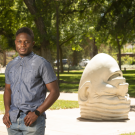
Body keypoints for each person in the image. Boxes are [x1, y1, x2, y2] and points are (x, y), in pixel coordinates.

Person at [3, 27, 60, 135]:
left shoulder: (42, 64)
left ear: (32, 43)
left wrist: (37, 113)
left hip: (33, 121)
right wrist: (7, 111)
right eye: (19, 41)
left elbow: (55, 92)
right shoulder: (10, 65)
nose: (22, 45)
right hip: (12, 121)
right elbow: (7, 89)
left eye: (26, 42)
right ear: (15, 42)